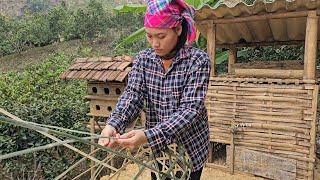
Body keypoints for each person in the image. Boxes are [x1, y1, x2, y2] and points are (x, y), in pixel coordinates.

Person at [98, 0, 210, 179]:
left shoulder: (197, 61)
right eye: (149, 36)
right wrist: (113, 124)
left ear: (178, 29)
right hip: (159, 149)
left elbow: (190, 110)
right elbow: (133, 96)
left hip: (190, 146)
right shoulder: (143, 59)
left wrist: (147, 136)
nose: (155, 44)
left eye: (161, 36)